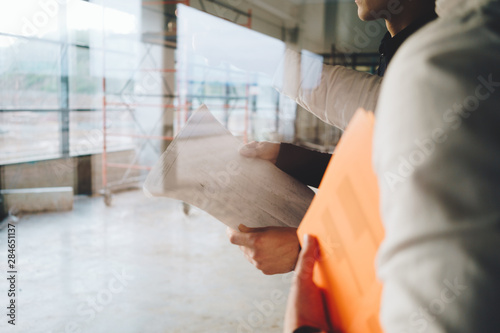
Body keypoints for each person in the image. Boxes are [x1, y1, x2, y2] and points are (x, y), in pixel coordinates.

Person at [285, 0, 500, 331]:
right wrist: (289, 159)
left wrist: (303, 258)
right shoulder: (407, 51)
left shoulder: (445, 59)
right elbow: (394, 164)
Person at [227, 0, 437, 275]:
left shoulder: (450, 57)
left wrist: (313, 245)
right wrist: (286, 157)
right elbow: (383, 172)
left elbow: (425, 209)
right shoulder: (396, 50)